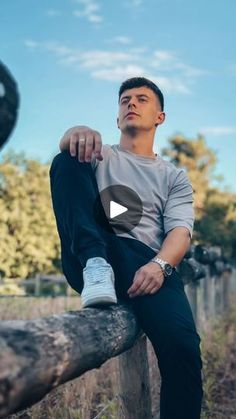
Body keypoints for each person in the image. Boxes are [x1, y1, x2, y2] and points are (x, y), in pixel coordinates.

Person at [49, 77, 203, 419]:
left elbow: (179, 232)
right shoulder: (97, 155)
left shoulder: (173, 176)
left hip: (148, 268)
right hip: (93, 258)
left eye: (142, 99)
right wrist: (74, 130)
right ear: (118, 119)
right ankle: (96, 264)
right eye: (125, 100)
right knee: (66, 158)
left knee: (184, 351)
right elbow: (68, 153)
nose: (131, 103)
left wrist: (160, 266)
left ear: (160, 117)